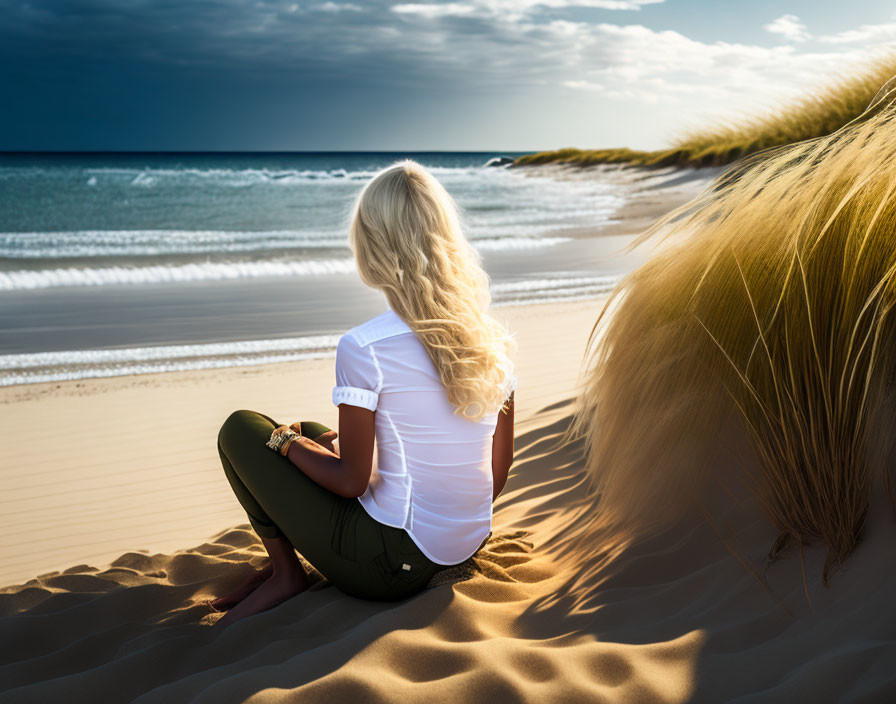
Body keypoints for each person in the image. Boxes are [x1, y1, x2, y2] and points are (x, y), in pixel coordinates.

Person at [209, 160, 517, 628]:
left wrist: (286, 445)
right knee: (316, 431)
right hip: (466, 542)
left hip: (391, 565)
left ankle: (286, 574)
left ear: (372, 246)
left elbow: (352, 481)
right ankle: (281, 564)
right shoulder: (489, 342)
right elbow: (496, 473)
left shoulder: (366, 346)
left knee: (243, 429)